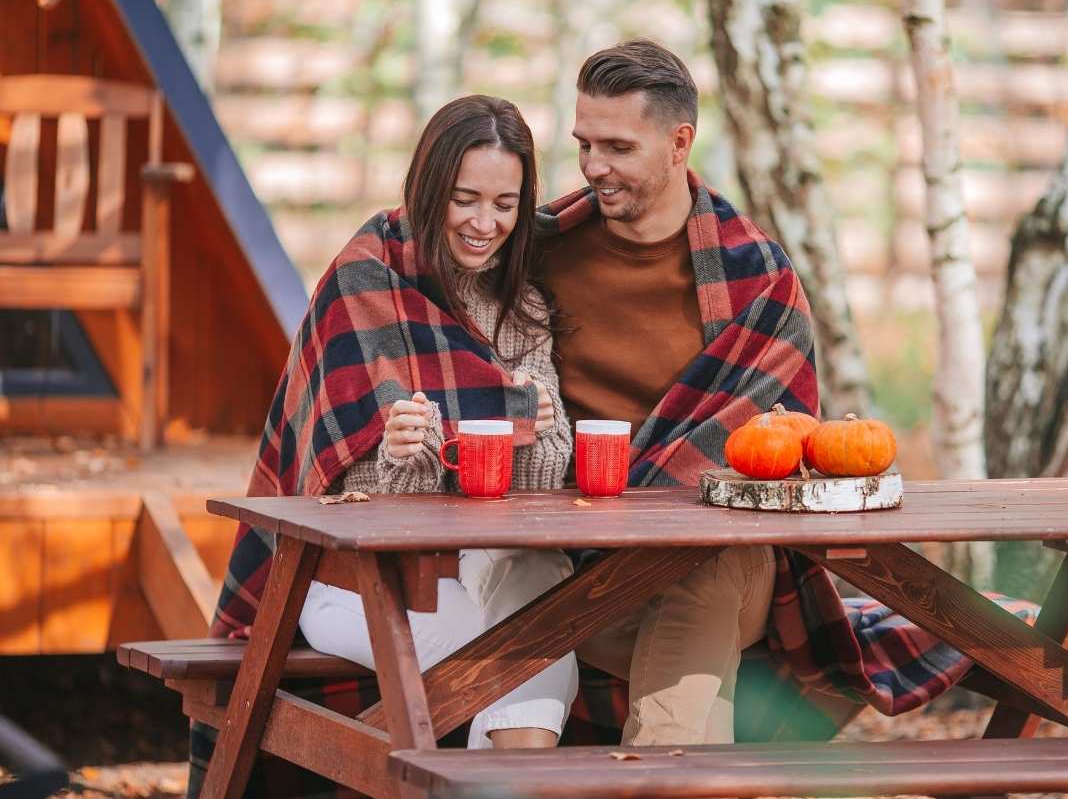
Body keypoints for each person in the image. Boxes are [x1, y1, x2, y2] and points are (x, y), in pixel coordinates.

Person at [536, 39, 1014, 747]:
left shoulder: (754, 277)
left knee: (713, 557)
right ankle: (678, 775)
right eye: (583, 144)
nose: (593, 167)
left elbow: (769, 455)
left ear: (678, 144)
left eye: (616, 146)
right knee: (694, 606)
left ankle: (665, 771)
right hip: (570, 560)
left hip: (723, 557)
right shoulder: (541, 252)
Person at [191, 95, 578, 797]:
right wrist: (402, 454)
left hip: (490, 564)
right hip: (349, 579)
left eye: (504, 203)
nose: (484, 224)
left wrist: (543, 424)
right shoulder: (365, 282)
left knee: (543, 622)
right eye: (464, 199)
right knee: (527, 652)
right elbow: (349, 501)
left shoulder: (523, 309)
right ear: (430, 190)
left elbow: (545, 480)